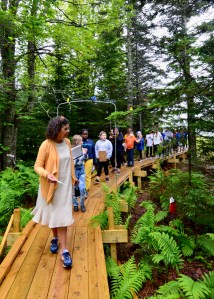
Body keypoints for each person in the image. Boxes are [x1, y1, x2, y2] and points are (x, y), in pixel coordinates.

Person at [32, 116, 77, 269]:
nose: (68, 132)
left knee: (63, 216)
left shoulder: (68, 142)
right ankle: (55, 238)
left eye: (68, 128)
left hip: (65, 187)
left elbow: (69, 161)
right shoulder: (46, 144)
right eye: (65, 129)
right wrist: (47, 175)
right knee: (53, 214)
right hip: (51, 186)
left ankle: (64, 250)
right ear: (56, 129)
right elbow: (37, 166)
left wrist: (73, 177)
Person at [72, 135, 88, 213]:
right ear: (77, 142)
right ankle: (75, 204)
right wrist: (83, 155)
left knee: (82, 188)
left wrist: (85, 155)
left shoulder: (82, 149)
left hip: (81, 171)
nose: (82, 142)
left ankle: (82, 204)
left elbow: (85, 158)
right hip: (74, 172)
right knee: (74, 189)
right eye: (81, 141)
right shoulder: (71, 150)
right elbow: (74, 163)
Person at [81, 129, 96, 197]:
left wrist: (95, 162)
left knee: (87, 175)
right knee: (81, 175)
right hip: (81, 160)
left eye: (86, 134)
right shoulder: (79, 142)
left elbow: (94, 152)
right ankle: (81, 189)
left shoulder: (91, 142)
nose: (85, 135)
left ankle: (86, 190)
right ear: (81, 134)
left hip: (89, 160)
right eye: (83, 134)